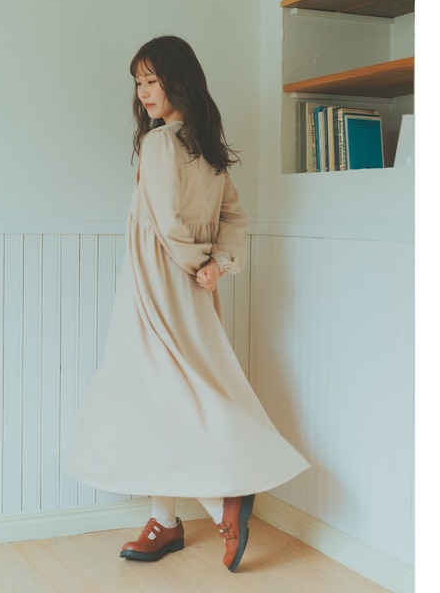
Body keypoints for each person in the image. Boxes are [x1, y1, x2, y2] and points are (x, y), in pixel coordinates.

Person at [63, 35, 309, 573]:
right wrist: (217, 264)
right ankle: (167, 519)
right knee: (171, 394)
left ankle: (219, 503)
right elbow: (235, 219)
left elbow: (167, 223)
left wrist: (200, 260)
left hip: (156, 284)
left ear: (179, 81)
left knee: (159, 394)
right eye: (138, 82)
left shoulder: (159, 144)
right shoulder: (208, 149)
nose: (143, 92)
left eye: (152, 80)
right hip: (195, 287)